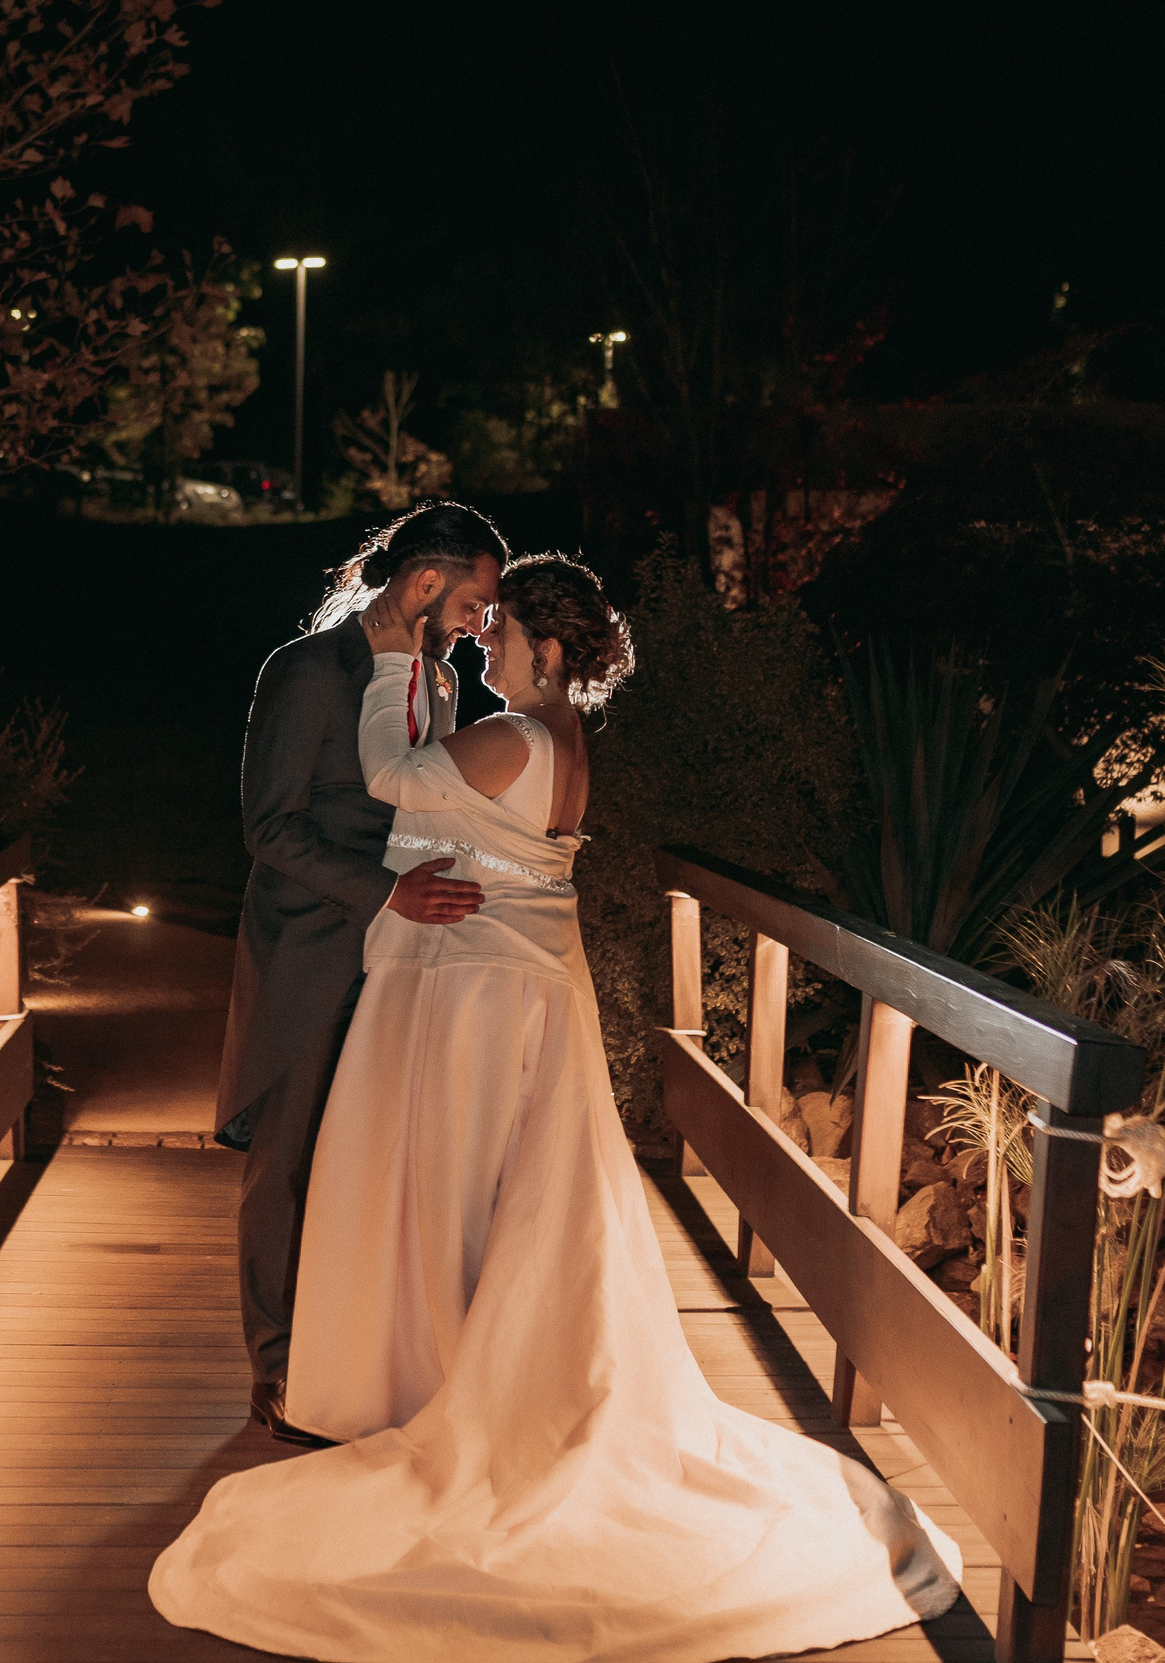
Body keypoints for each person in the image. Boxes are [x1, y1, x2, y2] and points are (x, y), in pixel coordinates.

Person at [155, 555, 960, 1661]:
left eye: (503, 629)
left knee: (450, 1183)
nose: (484, 639)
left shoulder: (516, 736)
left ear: (549, 649)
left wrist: (394, 649)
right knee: (508, 1191)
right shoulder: (564, 745)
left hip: (475, 995)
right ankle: (461, 1359)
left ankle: (450, 1380)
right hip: (519, 985)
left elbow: (387, 772)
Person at [217, 501, 510, 1446]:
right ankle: (276, 1366)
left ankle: (356, 1355)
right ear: (424, 585)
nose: (481, 623)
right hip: (311, 948)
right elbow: (270, 828)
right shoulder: (306, 672)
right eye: (473, 602)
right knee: (288, 1163)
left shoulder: (439, 680)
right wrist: (390, 894)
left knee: (374, 1161)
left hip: (406, 958)